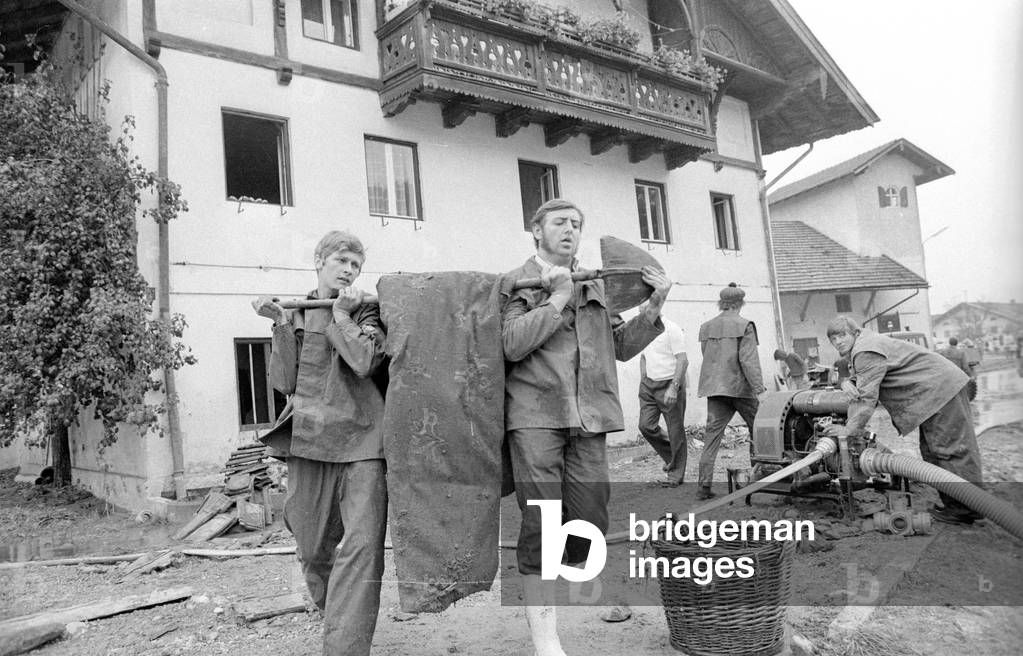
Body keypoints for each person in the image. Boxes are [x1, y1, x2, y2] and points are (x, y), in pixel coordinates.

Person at [500, 198, 672, 656]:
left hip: (589, 417)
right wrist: (556, 297)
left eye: (576, 224)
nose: (570, 230)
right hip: (535, 416)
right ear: (536, 231)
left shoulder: (595, 286)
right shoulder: (518, 283)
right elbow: (513, 344)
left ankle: (558, 586)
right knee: (542, 518)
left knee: (590, 519)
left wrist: (653, 306)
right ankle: (545, 635)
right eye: (559, 222)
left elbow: (620, 346)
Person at [252, 230, 387, 655]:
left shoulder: (368, 312)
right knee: (312, 547)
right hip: (309, 440)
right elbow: (284, 382)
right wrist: (277, 324)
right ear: (319, 260)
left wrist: (343, 317)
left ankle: (346, 645)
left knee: (363, 545)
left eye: (355, 266)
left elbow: (365, 362)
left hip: (364, 440)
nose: (349, 271)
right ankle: (339, 620)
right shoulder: (296, 312)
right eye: (342, 262)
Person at [823, 316, 984, 525]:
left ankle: (967, 508)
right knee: (932, 451)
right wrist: (848, 381)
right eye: (833, 339)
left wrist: (848, 429)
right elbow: (872, 374)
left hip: (940, 390)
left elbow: (865, 400)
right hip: (933, 391)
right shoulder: (865, 344)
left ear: (854, 333)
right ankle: (959, 505)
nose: (838, 342)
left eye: (842, 336)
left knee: (949, 449)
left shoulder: (865, 350)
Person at [695, 283, 766, 500]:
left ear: (722, 304)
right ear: (740, 304)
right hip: (741, 389)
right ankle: (757, 478)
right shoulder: (745, 325)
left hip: (715, 390)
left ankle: (703, 487)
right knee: (759, 431)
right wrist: (760, 389)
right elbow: (749, 360)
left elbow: (706, 354)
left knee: (712, 438)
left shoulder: (706, 327)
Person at [637, 316, 689, 486]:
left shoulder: (671, 328)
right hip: (649, 385)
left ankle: (676, 475)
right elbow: (643, 356)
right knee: (646, 426)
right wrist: (643, 378)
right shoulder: (643, 329)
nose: (642, 311)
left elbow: (683, 360)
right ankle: (673, 459)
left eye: (647, 306)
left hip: (669, 383)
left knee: (675, 430)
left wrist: (674, 387)